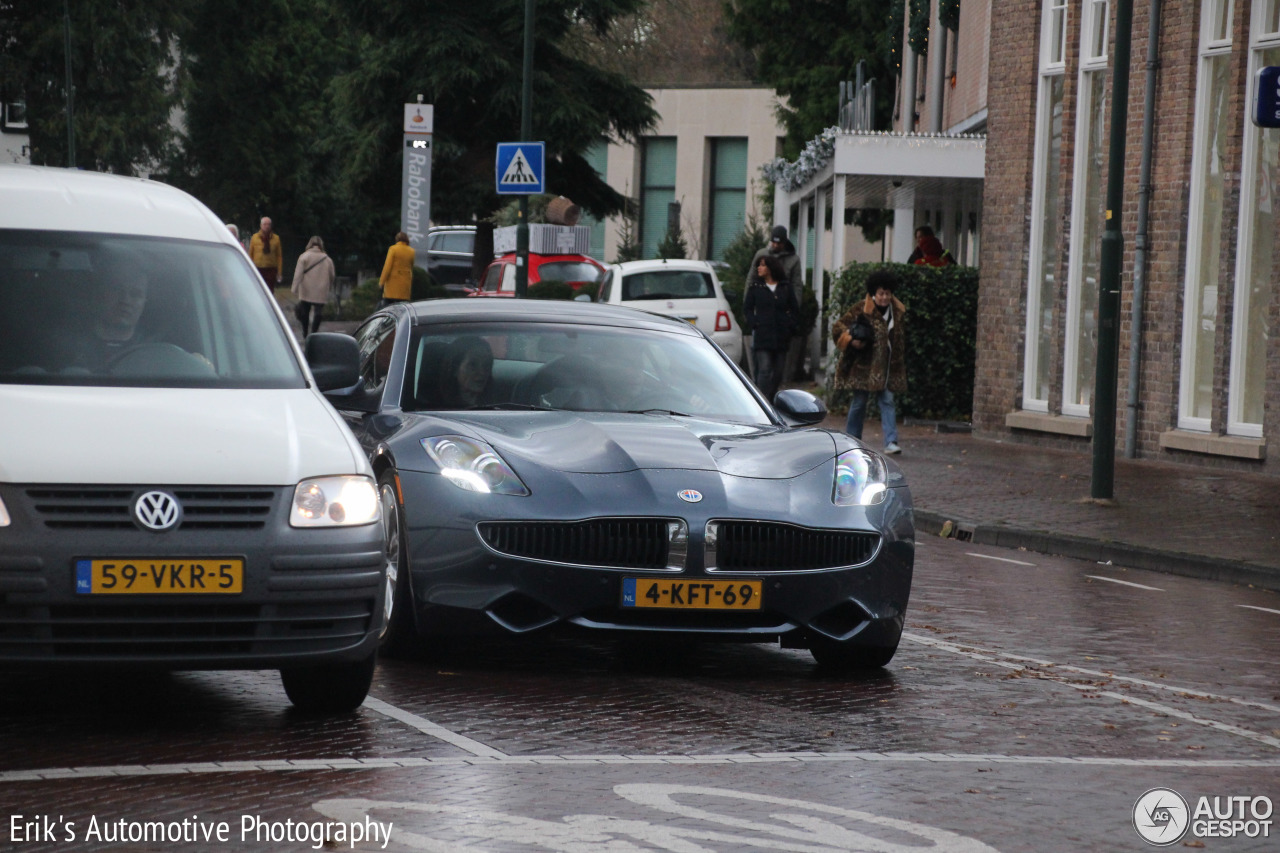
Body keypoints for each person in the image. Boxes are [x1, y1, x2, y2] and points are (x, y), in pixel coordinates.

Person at [832, 268, 908, 455]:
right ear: (874, 293)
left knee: (888, 401)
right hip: (863, 368)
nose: (884, 297)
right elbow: (838, 328)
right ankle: (852, 439)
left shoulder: (897, 312)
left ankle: (891, 441)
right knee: (859, 402)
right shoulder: (861, 309)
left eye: (887, 293)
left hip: (887, 368)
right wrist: (851, 340)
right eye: (881, 293)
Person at [743, 254, 799, 402]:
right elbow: (747, 308)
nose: (759, 268)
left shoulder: (785, 287)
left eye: (762, 265)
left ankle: (771, 397)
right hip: (762, 335)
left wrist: (790, 325)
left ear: (770, 268)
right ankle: (761, 401)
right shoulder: (756, 287)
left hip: (781, 336)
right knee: (765, 369)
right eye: (758, 265)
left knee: (778, 372)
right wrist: (754, 322)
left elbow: (794, 308)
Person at [291, 236, 336, 340]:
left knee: (305, 311)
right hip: (321, 289)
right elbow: (332, 275)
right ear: (321, 246)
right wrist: (329, 285)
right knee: (318, 311)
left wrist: (294, 288)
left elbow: (298, 274)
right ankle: (314, 333)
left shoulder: (304, 257)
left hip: (306, 288)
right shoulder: (327, 259)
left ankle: (305, 332)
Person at [438, 336, 493, 408]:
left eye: (486, 365)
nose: (482, 372)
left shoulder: (497, 403)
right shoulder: (436, 407)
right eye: (473, 365)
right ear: (455, 369)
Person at [747, 224, 802, 293]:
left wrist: (795, 303)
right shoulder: (761, 254)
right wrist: (747, 300)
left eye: (779, 243)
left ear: (784, 242)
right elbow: (751, 278)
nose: (776, 245)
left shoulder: (794, 260)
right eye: (774, 242)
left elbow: (796, 285)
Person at [378, 231, 415, 308]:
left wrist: (381, 282)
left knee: (386, 307)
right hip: (405, 286)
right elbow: (411, 267)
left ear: (397, 239)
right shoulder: (412, 251)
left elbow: (387, 267)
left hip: (392, 286)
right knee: (402, 308)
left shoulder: (393, 249)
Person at [249, 217, 283, 288]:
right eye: (265, 224)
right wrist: (250, 268)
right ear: (261, 225)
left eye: (269, 224)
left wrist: (279, 272)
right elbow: (250, 254)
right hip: (257, 268)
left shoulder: (276, 238)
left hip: (271, 269)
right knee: (258, 289)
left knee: (270, 290)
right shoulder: (254, 237)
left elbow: (279, 256)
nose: (267, 226)